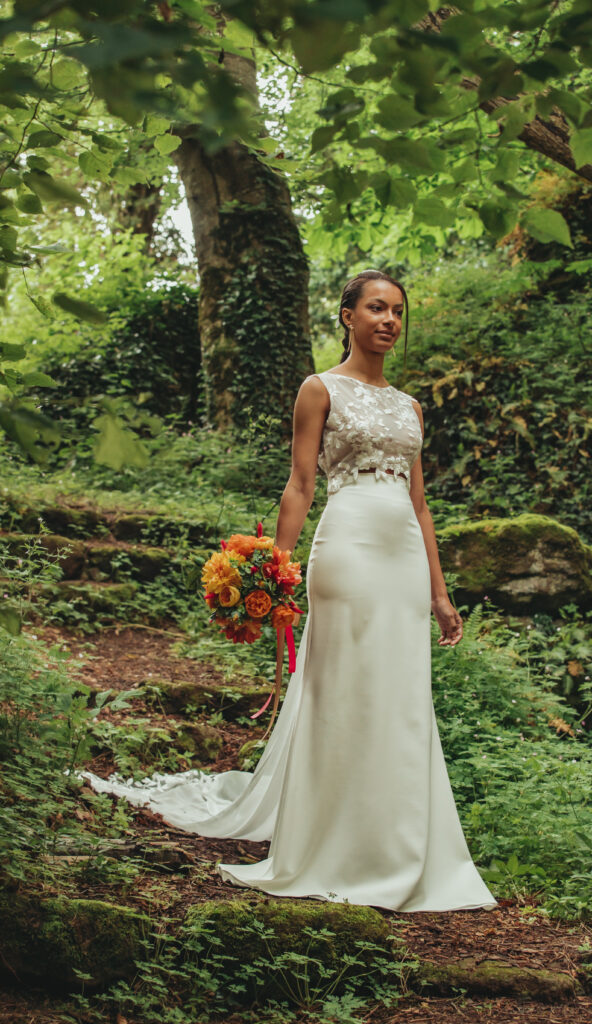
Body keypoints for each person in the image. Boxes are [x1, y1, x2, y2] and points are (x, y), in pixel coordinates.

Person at [81, 270, 498, 913]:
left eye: (397, 312)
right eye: (376, 308)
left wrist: (440, 593)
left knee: (401, 694)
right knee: (344, 687)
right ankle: (329, 840)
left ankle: (399, 840)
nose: (388, 320)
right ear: (347, 316)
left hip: (403, 560)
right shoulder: (319, 389)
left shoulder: (412, 407)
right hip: (349, 545)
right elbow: (301, 484)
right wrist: (274, 567)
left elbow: (420, 506)